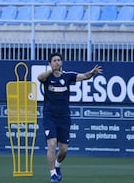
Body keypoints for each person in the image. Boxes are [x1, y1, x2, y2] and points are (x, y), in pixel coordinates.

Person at [37, 52, 103, 183]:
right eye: (54, 60)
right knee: (51, 145)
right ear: (50, 63)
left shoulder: (67, 76)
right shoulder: (47, 77)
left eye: (59, 60)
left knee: (64, 150)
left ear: (61, 63)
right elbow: (39, 77)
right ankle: (53, 175)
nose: (57, 62)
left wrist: (92, 73)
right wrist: (51, 71)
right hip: (49, 116)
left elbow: (84, 77)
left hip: (64, 117)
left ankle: (57, 165)